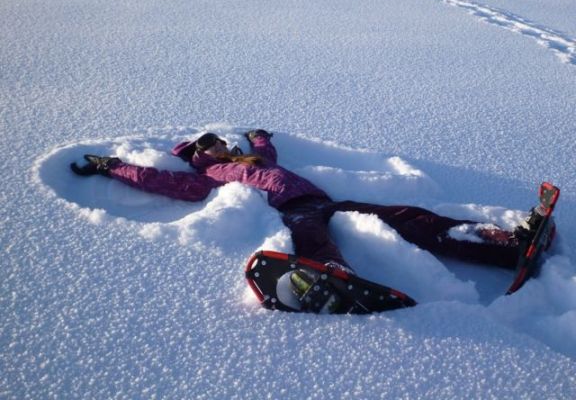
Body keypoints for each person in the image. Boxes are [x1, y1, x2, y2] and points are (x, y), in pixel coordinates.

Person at [70, 130, 541, 275]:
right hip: (295, 213)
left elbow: (268, 150)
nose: (211, 148)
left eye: (213, 142)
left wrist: (256, 135)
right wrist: (112, 166)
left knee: (406, 217)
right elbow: (158, 181)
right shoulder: (208, 179)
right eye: (202, 148)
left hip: (324, 200)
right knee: (311, 238)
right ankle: (333, 277)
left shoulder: (252, 156)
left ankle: (500, 242)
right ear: (196, 159)